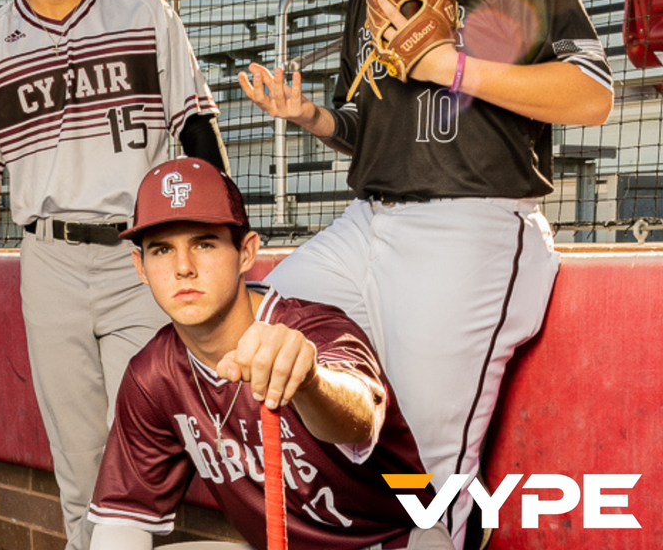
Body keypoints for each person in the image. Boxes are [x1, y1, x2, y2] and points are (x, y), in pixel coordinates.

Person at [237, 0, 613, 548]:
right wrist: (309, 116)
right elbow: (367, 125)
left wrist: (450, 64)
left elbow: (591, 93)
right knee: (253, 327)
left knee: (434, 471)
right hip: (367, 221)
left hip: (468, 228)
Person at [0, 0, 226, 549]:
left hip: (140, 257)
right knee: (78, 460)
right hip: (50, 261)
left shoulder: (146, 16)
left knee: (145, 450)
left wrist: (211, 244)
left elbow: (197, 135)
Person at [86, 157, 453, 550]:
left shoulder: (316, 328)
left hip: (394, 540)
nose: (183, 268)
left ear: (246, 252)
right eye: (161, 250)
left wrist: (311, 380)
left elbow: (360, 419)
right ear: (140, 266)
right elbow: (125, 517)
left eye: (204, 244)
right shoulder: (152, 374)